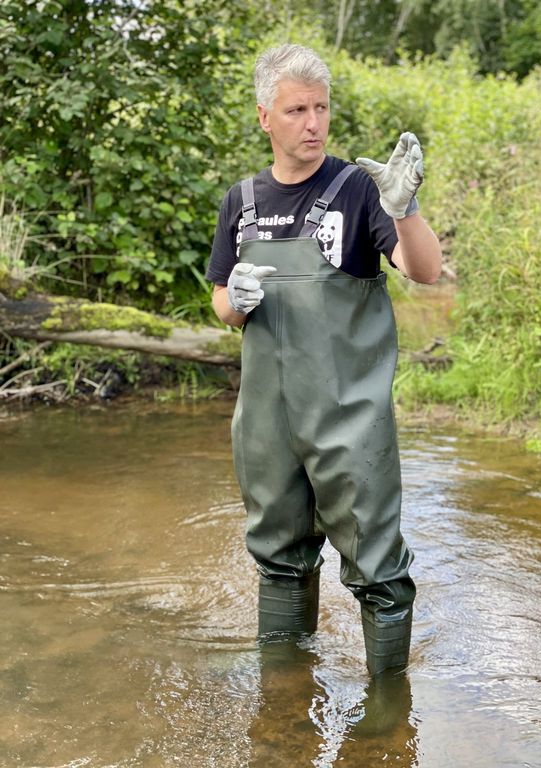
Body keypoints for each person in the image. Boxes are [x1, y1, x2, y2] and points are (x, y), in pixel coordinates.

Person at [206, 43, 442, 675]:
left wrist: (404, 209)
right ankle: (284, 697)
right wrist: (236, 300)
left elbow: (424, 270)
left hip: (350, 420)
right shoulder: (241, 201)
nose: (313, 124)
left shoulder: (357, 190)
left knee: (377, 569)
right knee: (279, 560)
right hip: (267, 421)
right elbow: (222, 303)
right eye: (296, 110)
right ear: (265, 117)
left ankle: (388, 709)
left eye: (321, 108)